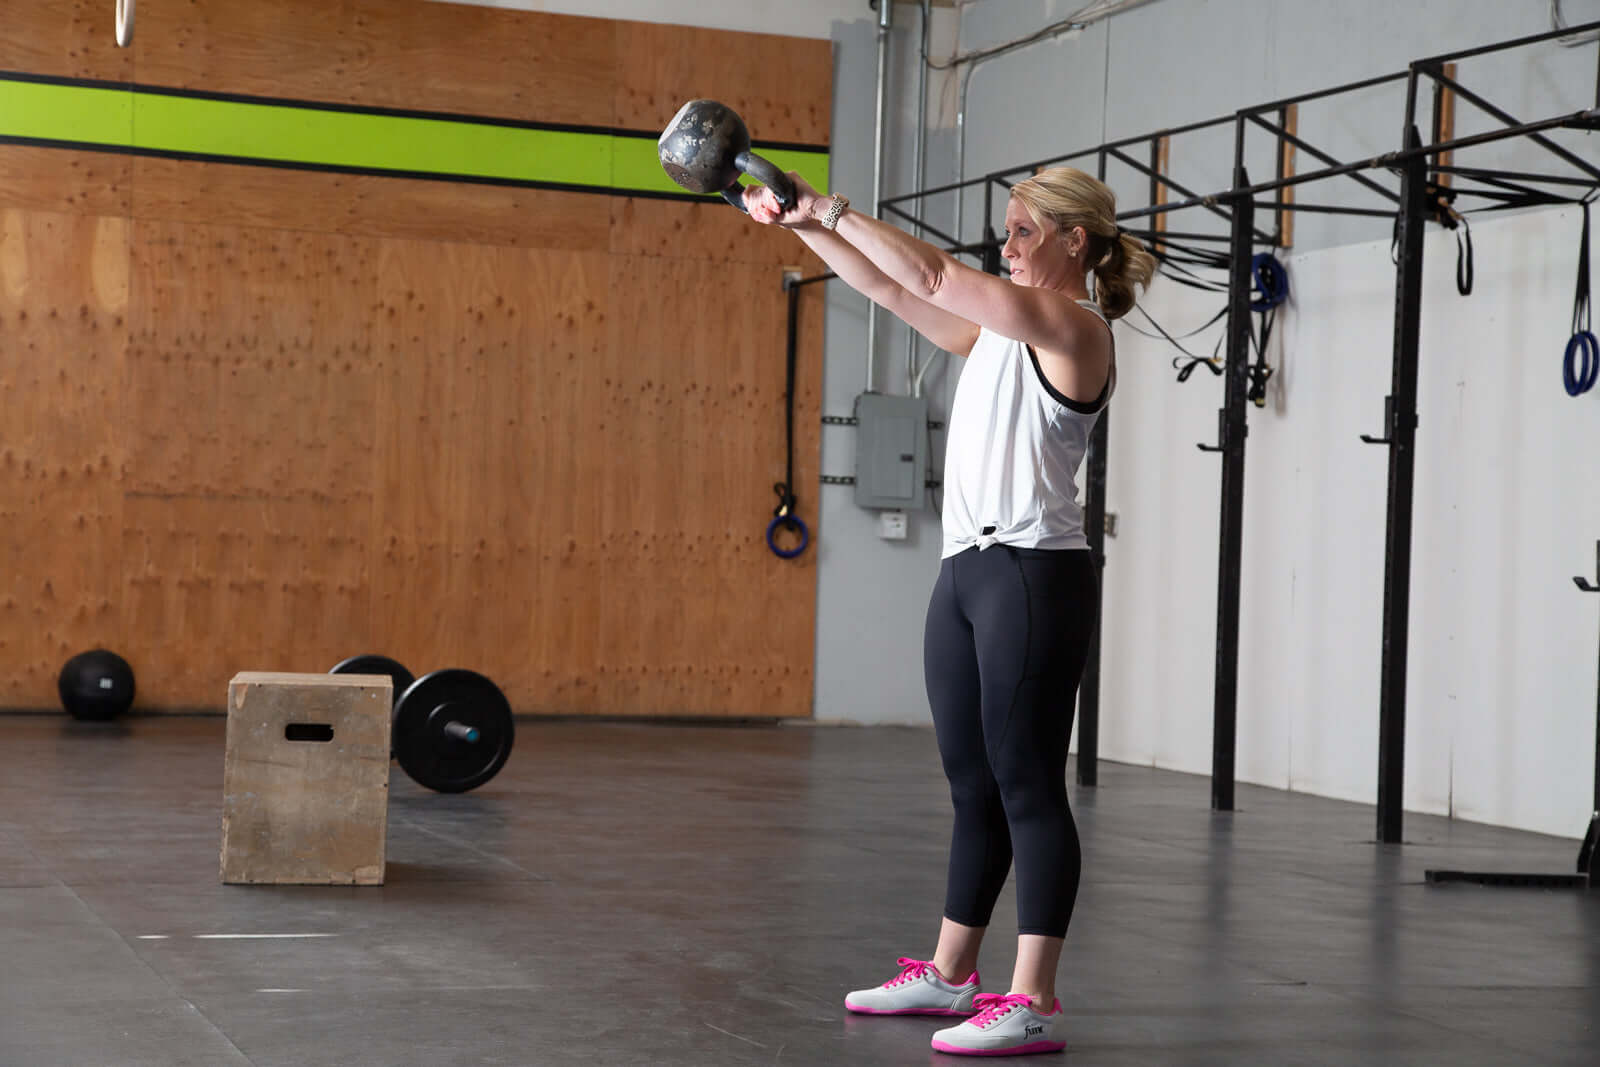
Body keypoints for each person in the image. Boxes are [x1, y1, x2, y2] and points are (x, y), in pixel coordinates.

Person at [744, 166, 1155, 1057]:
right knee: (973, 786)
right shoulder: (995, 333)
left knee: (1029, 785)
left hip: (1032, 575)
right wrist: (798, 227)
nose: (1004, 246)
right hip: (965, 571)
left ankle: (1033, 995)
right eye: (1004, 232)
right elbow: (893, 288)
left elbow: (931, 273)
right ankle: (950, 971)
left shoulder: (1073, 327)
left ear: (1073, 243)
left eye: (1021, 232)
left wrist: (833, 205)